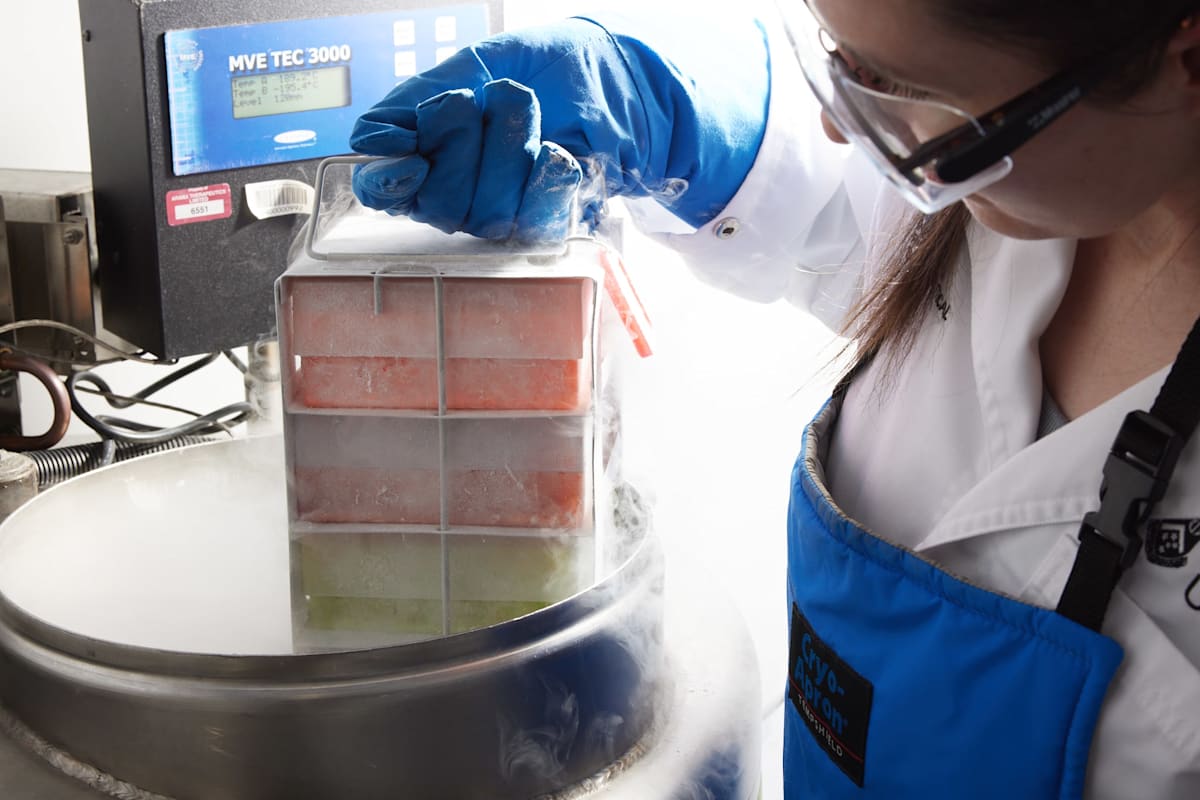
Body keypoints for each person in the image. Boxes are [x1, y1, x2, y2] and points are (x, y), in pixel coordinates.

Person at [348, 1, 1200, 797]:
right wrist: (654, 107)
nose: (841, 125)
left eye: (903, 90)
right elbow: (831, 188)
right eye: (840, 61)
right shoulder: (1005, 183)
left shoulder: (1019, 177)